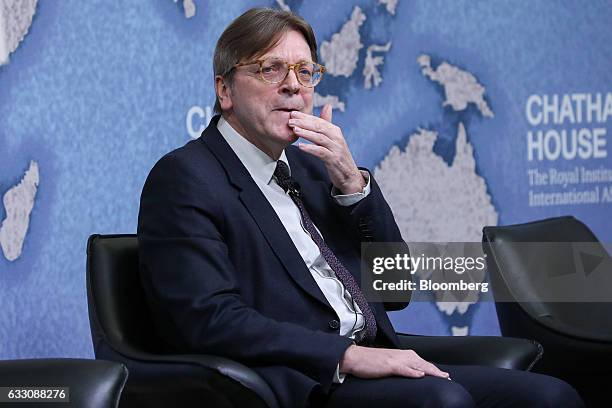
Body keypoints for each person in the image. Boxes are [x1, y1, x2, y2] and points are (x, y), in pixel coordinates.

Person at [138, 7, 584, 408]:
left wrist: (353, 184)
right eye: (270, 69)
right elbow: (210, 321)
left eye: (305, 71)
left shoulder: (316, 171)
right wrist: (346, 356)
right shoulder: (186, 178)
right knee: (440, 401)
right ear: (226, 90)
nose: (293, 85)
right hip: (303, 379)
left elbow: (395, 289)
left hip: (372, 358)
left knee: (550, 395)